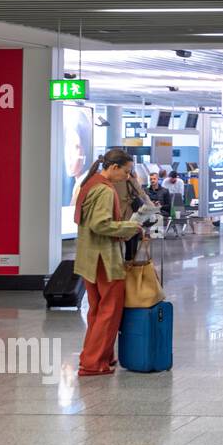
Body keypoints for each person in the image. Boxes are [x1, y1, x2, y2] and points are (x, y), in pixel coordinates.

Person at [74, 148, 146, 376]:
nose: (128, 177)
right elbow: (101, 224)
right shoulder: (105, 191)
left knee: (96, 310)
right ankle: (94, 363)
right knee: (109, 311)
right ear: (114, 168)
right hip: (105, 259)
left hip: (88, 258)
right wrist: (131, 226)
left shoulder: (90, 184)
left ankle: (95, 356)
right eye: (126, 172)